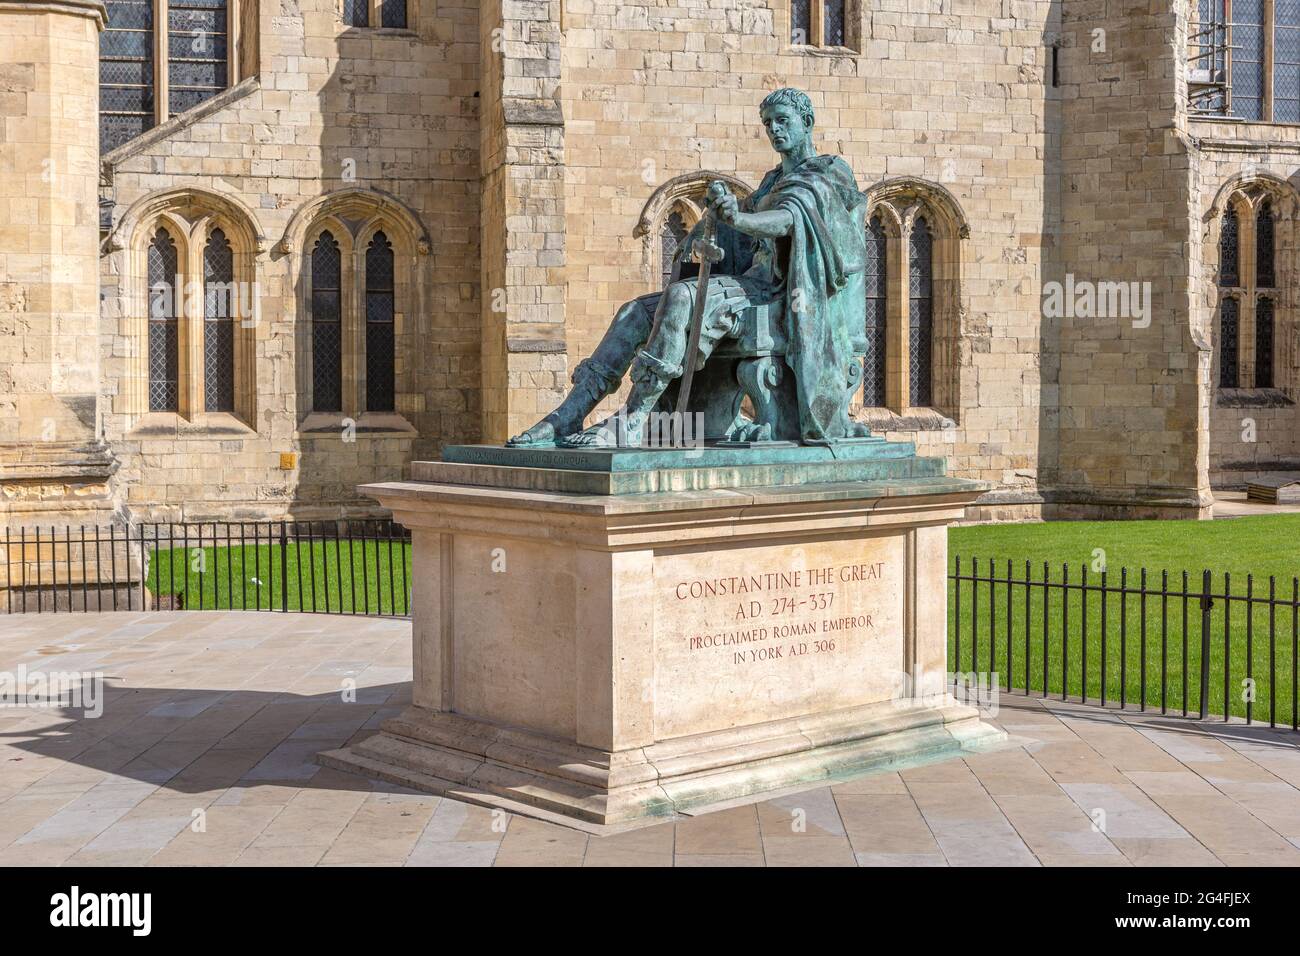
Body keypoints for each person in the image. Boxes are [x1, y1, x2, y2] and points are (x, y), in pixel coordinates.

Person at [508, 87, 868, 448]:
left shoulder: (828, 171)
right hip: (748, 286)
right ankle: (568, 414)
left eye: (782, 121)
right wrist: (711, 229)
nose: (774, 130)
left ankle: (633, 420)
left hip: (783, 294)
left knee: (682, 296)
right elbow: (740, 237)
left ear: (806, 123)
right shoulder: (771, 181)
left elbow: (788, 219)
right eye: (768, 123)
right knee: (634, 311)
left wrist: (740, 218)